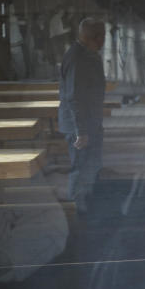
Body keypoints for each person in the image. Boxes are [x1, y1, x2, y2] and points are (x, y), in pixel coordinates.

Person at [58, 17, 107, 212]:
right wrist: (81, 131)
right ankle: (77, 211)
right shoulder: (77, 58)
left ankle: (89, 204)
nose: (104, 42)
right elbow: (73, 97)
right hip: (80, 125)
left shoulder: (86, 53)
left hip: (88, 123)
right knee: (80, 167)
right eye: (102, 37)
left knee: (91, 165)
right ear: (93, 37)